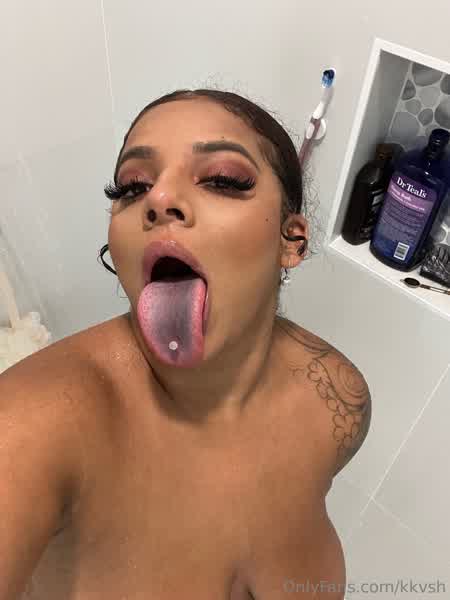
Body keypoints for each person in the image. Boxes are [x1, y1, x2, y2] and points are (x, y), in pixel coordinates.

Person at [0, 89, 371, 600]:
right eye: (132, 187)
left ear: (292, 240)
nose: (157, 199)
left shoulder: (336, 400)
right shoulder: (33, 424)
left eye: (223, 179)